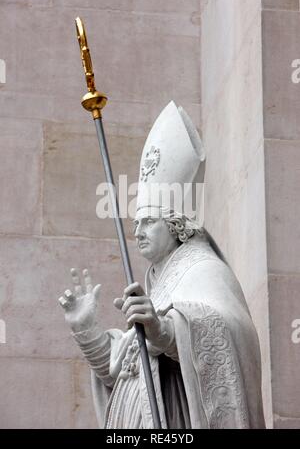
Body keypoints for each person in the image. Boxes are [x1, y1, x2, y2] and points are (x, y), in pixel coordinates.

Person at [59, 102, 265, 428]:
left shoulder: (204, 269)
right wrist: (88, 332)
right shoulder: (158, 282)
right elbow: (121, 369)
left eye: (148, 221)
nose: (137, 232)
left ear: (175, 224)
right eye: (136, 222)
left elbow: (233, 332)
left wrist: (167, 330)